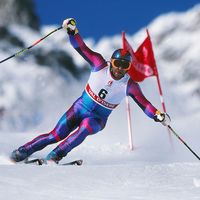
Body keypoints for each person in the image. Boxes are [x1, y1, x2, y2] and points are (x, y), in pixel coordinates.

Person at [11, 18, 170, 164]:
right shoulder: (99, 64)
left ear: (128, 68)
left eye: (124, 66)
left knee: (85, 128)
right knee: (55, 135)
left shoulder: (130, 85)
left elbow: (145, 105)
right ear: (111, 62)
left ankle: (55, 156)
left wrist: (158, 115)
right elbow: (81, 47)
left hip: (97, 119)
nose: (119, 69)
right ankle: (22, 152)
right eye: (117, 64)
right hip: (78, 108)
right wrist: (73, 32)